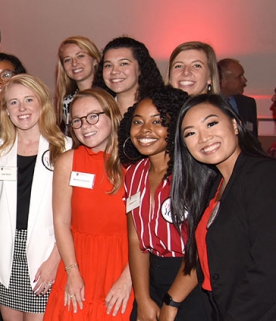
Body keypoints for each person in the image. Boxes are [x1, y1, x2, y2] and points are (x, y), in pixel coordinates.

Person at [166, 94, 276, 320]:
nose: (204, 137)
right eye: (191, 133)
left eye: (211, 123)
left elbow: (268, 269)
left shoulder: (264, 175)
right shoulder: (214, 185)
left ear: (235, 125)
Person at [0, 74, 72, 321]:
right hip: (4, 254)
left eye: (29, 100)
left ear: (42, 103)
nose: (22, 108)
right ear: (6, 110)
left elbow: (73, 214)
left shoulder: (65, 148)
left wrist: (55, 259)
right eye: (14, 102)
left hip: (47, 254)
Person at [117, 86, 209, 321]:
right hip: (150, 277)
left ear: (175, 124)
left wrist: (172, 302)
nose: (145, 130)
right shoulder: (133, 173)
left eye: (158, 121)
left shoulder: (195, 173)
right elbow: (136, 238)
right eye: (138, 122)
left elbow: (200, 247)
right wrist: (143, 298)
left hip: (191, 279)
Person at [43, 88, 133, 320]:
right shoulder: (68, 161)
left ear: (111, 116)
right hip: (78, 262)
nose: (85, 126)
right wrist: (72, 272)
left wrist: (128, 278)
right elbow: (61, 222)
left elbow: (144, 231)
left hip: (124, 263)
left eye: (93, 116)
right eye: (77, 121)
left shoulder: (134, 163)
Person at [93, 37, 163, 115]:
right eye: (108, 65)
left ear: (140, 67)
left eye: (123, 64)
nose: (114, 71)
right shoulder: (96, 111)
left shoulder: (158, 109)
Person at [56, 36, 101, 129]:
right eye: (67, 60)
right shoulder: (66, 103)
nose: (74, 63)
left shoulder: (112, 95)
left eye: (80, 56)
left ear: (95, 60)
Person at [218, 58, 258, 138]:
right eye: (239, 77)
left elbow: (254, 139)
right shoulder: (207, 104)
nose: (244, 80)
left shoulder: (248, 103)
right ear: (223, 81)